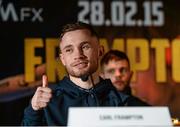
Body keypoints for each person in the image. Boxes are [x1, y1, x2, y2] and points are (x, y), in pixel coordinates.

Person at [22, 22, 148, 126]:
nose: (78, 55)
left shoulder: (122, 102)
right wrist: (33, 110)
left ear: (100, 51)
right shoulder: (48, 103)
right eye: (69, 50)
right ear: (63, 59)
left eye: (85, 47)